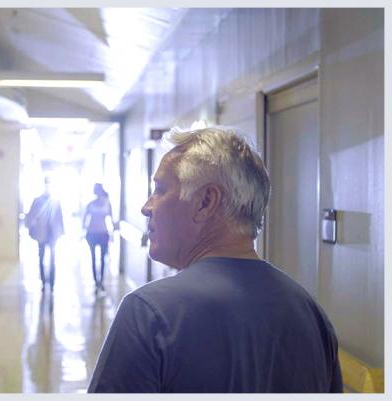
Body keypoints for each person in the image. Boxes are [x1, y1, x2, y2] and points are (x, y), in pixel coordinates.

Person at [88, 126, 342, 393]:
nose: (147, 207)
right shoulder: (312, 316)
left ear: (205, 202)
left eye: (160, 190)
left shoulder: (148, 315)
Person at [25, 177, 64, 291]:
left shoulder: (56, 201)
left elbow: (60, 218)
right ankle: (43, 281)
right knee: (41, 258)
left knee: (52, 259)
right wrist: (31, 228)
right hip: (41, 234)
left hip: (53, 235)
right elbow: (31, 216)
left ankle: (51, 282)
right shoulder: (37, 201)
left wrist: (61, 232)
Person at [82, 183, 112, 291]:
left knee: (102, 259)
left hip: (103, 234)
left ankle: (101, 280)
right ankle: (96, 281)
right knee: (93, 258)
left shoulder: (107, 204)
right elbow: (84, 220)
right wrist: (82, 233)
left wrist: (112, 235)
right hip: (92, 234)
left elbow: (111, 219)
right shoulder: (90, 204)